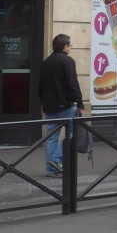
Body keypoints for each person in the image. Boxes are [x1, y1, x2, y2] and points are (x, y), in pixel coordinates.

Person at [37, 34, 84, 176]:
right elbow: (72, 83)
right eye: (70, 45)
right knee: (73, 133)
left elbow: (41, 86)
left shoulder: (46, 62)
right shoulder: (67, 61)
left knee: (51, 137)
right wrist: (80, 102)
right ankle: (56, 160)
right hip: (66, 106)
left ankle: (51, 170)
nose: (70, 48)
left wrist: (43, 104)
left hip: (50, 107)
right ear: (65, 46)